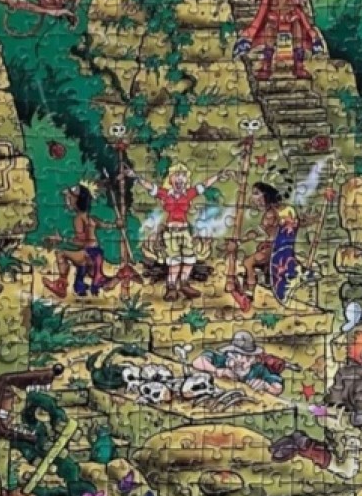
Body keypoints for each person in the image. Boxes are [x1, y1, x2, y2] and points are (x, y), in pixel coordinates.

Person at [272, 309, 362, 465]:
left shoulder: (346, 371)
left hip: (324, 412)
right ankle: (305, 445)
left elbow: (348, 402)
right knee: (347, 468)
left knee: (336, 446)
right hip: (336, 420)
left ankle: (303, 442)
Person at [127, 161, 229, 301]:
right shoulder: (165, 194)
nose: (180, 178)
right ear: (171, 179)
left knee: (189, 259)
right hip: (171, 233)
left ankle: (184, 284)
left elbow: (204, 185)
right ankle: (171, 287)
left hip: (184, 232)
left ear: (186, 180)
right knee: (174, 261)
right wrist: (135, 176)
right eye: (177, 175)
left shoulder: (188, 194)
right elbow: (150, 186)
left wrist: (217, 176)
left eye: (183, 175)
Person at [44, 184, 115, 299]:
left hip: (88, 254)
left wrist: (62, 239)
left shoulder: (78, 218)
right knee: (82, 265)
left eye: (70, 198)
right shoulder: (92, 218)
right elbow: (107, 225)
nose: (67, 201)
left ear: (78, 201)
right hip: (97, 254)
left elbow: (82, 242)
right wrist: (117, 224)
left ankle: (61, 285)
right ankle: (80, 286)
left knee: (60, 253)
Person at [193, 329, 291, 395]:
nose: (243, 361)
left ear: (253, 358)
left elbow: (278, 388)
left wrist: (266, 386)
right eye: (238, 356)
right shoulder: (223, 360)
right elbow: (197, 362)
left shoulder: (258, 369)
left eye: (248, 357)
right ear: (230, 354)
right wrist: (217, 370)